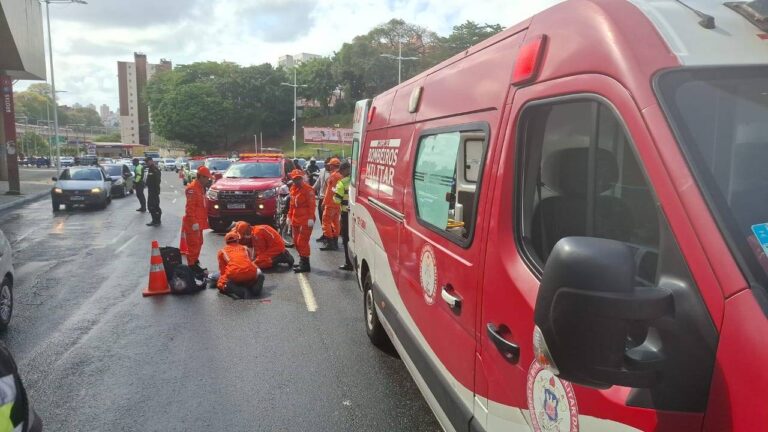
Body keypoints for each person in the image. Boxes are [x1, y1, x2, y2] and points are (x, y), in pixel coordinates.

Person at [217, 232, 265, 299]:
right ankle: (253, 286)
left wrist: (223, 281)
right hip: (251, 272)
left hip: (235, 274)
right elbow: (250, 262)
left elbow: (223, 271)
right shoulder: (245, 248)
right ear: (237, 240)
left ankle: (237, 289)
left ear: (226, 242)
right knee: (253, 274)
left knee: (221, 283)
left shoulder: (222, 251)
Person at [183, 165, 212, 276]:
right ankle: (192, 265)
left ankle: (194, 262)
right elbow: (189, 209)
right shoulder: (192, 189)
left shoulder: (200, 188)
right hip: (193, 223)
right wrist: (193, 222)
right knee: (194, 244)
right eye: (207, 178)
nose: (208, 180)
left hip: (198, 222)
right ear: (201, 177)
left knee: (199, 243)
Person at [288, 169, 316, 273]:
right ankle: (302, 261)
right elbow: (291, 205)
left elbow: (312, 205)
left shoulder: (308, 189)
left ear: (302, 178)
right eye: (295, 179)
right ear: (293, 180)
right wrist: (288, 217)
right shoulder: (293, 189)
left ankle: (305, 264)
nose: (298, 181)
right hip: (295, 218)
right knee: (295, 241)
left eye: (299, 178)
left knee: (302, 241)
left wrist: (310, 218)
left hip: (306, 220)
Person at [320, 158, 342, 251]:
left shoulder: (333, 176)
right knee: (335, 222)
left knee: (326, 222)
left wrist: (324, 203)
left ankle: (330, 243)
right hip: (338, 203)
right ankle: (335, 242)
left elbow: (329, 192)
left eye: (330, 165)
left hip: (330, 203)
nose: (329, 166)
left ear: (332, 166)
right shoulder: (341, 175)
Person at [335, 162, 353, 270]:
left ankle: (348, 263)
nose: (340, 174)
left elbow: (337, 200)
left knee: (346, 239)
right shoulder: (356, 180)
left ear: (345, 170)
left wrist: (335, 194)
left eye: (341, 171)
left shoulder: (342, 183)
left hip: (346, 214)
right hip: (357, 213)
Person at [313, 157, 332, 239]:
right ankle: (325, 234)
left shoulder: (333, 174)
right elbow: (317, 184)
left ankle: (330, 236)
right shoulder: (322, 171)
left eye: (327, 164)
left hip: (329, 200)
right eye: (325, 163)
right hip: (321, 198)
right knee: (321, 218)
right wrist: (310, 189)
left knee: (328, 219)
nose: (325, 165)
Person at [145, 157, 162, 226]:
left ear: (151, 161)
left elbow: (158, 181)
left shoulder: (155, 169)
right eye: (146, 162)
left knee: (154, 206)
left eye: (148, 161)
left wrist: (155, 190)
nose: (146, 163)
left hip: (154, 191)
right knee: (152, 206)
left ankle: (157, 221)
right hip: (151, 191)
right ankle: (155, 220)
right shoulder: (150, 169)